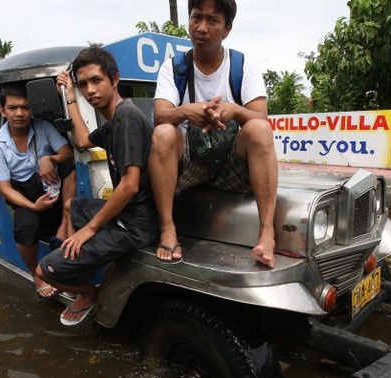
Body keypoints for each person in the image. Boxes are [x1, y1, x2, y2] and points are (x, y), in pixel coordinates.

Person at [149, 0, 278, 268]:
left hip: (231, 165)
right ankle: (168, 229)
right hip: (191, 166)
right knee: (163, 133)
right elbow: (161, 116)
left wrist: (235, 111)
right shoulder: (173, 68)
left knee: (259, 129)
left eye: (212, 20)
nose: (202, 28)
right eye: (196, 18)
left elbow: (260, 118)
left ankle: (267, 233)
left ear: (227, 29)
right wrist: (187, 112)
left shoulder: (243, 65)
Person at [37, 47, 158, 326]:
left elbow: (129, 185)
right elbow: (82, 140)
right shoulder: (115, 118)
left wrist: (90, 230)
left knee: (44, 271)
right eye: (83, 85)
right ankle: (75, 264)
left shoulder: (126, 117)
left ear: (114, 79)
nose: (90, 90)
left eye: (96, 81)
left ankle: (87, 290)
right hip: (126, 213)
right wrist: (70, 96)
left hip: (135, 224)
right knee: (70, 206)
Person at [0, 83, 75, 299]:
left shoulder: (44, 127)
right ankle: (36, 274)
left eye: (25, 108)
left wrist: (49, 159)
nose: (20, 113)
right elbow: (5, 188)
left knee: (68, 167)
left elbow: (67, 153)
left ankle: (65, 223)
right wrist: (33, 206)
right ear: (3, 111)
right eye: (13, 108)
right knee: (25, 228)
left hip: (53, 188)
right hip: (25, 195)